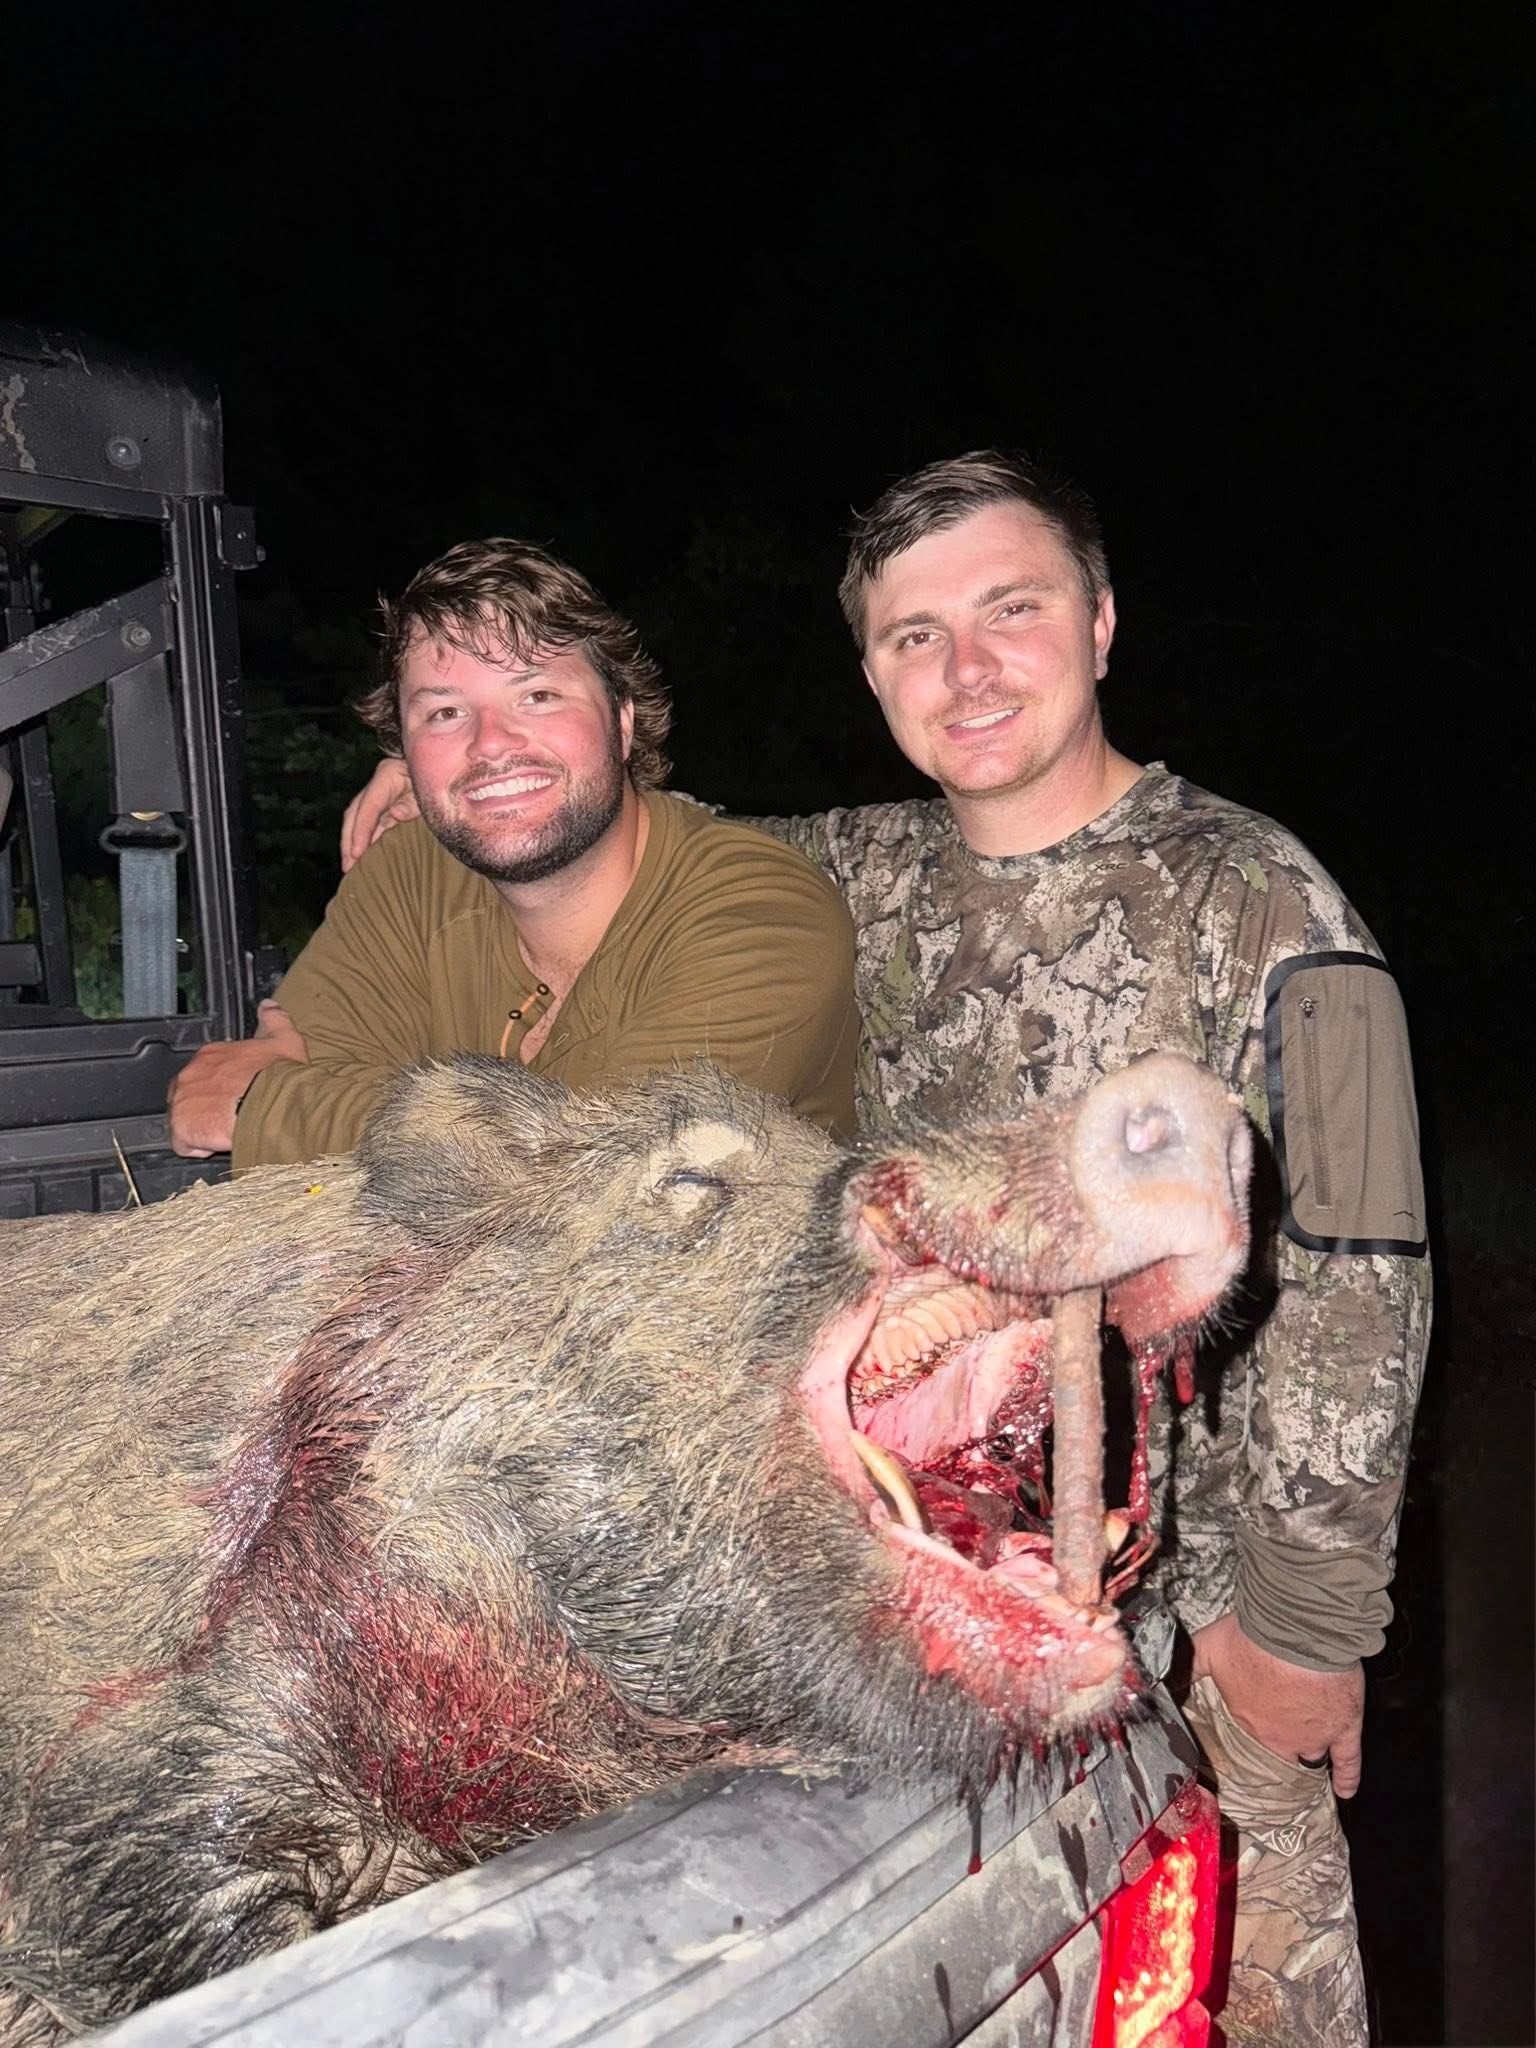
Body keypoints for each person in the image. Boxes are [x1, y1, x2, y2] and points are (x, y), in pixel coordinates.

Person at [343, 453, 1428, 2046]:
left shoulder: (1275, 907)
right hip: (933, 1581)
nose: (966, 667)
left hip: (1190, 1616)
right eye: (915, 634)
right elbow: (637, 842)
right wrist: (462, 789)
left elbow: (1364, 1268)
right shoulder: (868, 871)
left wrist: (1308, 1627)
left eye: (1012, 609)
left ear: (1104, 624)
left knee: (1251, 1995)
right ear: (871, 670)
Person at [169, 539, 858, 1168]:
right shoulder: (409, 875)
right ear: (404, 753)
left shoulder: (765, 913)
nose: (491, 743)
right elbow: (299, 1178)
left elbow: (600, 1172)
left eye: (537, 694)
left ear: (622, 723)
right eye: (444, 713)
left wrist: (264, 1106)